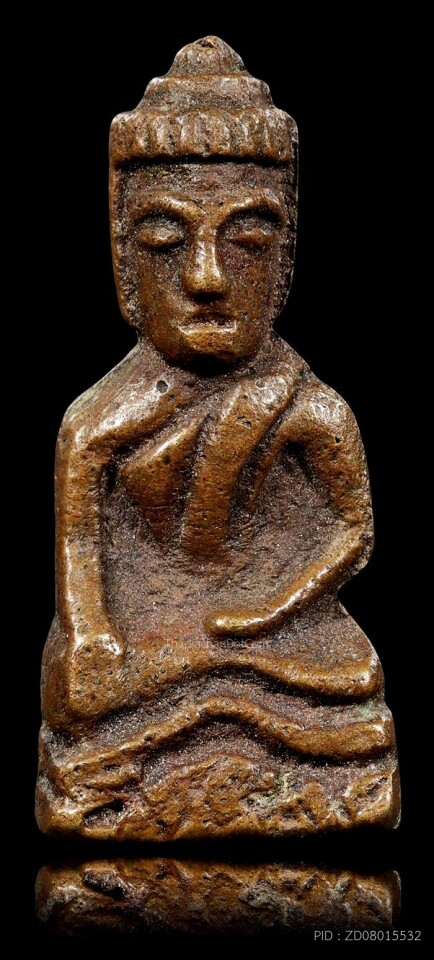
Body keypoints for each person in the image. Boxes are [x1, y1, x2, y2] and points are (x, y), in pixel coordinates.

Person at [37, 37, 399, 838]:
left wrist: (275, 608)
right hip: (146, 646)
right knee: (81, 693)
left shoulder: (308, 407)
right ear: (125, 265)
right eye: (165, 242)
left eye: (247, 244)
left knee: (353, 676)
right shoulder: (95, 422)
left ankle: (221, 729)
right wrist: (94, 635)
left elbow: (355, 531)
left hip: (277, 633)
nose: (205, 277)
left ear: (286, 261)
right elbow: (83, 582)